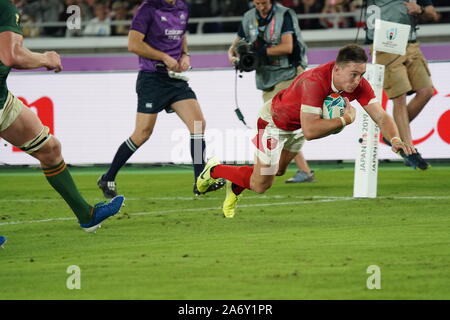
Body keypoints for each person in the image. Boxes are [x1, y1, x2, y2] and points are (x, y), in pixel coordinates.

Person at [197, 44, 413, 218]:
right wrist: (345, 119)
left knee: (278, 171)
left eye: (361, 74)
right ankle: (214, 170)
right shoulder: (315, 81)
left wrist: (394, 138)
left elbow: (381, 116)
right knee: (261, 184)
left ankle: (236, 185)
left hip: (297, 128)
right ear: (337, 69)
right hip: (273, 123)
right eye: (353, 74)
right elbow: (311, 131)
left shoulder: (358, 84)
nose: (357, 81)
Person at [0, 0, 124, 233]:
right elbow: (12, 55)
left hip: (2, 98)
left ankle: (87, 215)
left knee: (49, 150)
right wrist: (45, 58)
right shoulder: (4, 6)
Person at [97, 0, 225, 198]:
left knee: (198, 124)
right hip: (152, 79)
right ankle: (108, 177)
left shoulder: (182, 6)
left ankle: (200, 181)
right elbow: (133, 44)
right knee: (142, 134)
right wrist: (164, 57)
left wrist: (185, 54)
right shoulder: (147, 9)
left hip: (175, 80)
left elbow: (181, 35)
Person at [227, 0, 314, 184]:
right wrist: (233, 53)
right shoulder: (249, 17)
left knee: (281, 123)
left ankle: (272, 168)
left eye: (264, 2)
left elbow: (287, 46)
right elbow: (237, 42)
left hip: (289, 74)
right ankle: (300, 170)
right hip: (266, 79)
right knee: (282, 125)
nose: (261, 7)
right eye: (257, 3)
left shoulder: (284, 15)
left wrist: (260, 53)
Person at [365, 0, 439, 170]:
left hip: (411, 42)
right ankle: (410, 151)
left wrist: (419, 9)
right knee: (400, 97)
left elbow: (432, 14)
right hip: (385, 42)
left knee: (426, 91)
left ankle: (392, 135)